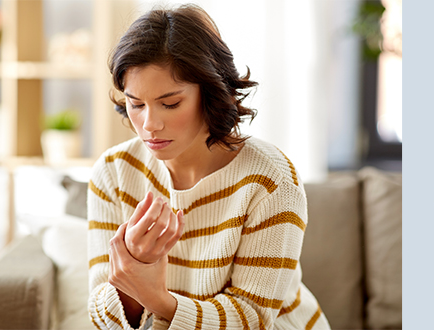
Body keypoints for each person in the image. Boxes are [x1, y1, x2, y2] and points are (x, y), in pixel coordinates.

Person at [86, 4, 330, 330]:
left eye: (170, 103)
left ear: (211, 92)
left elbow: (252, 319)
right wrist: (133, 270)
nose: (150, 124)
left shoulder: (270, 180)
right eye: (136, 104)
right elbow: (102, 314)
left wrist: (158, 300)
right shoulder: (114, 173)